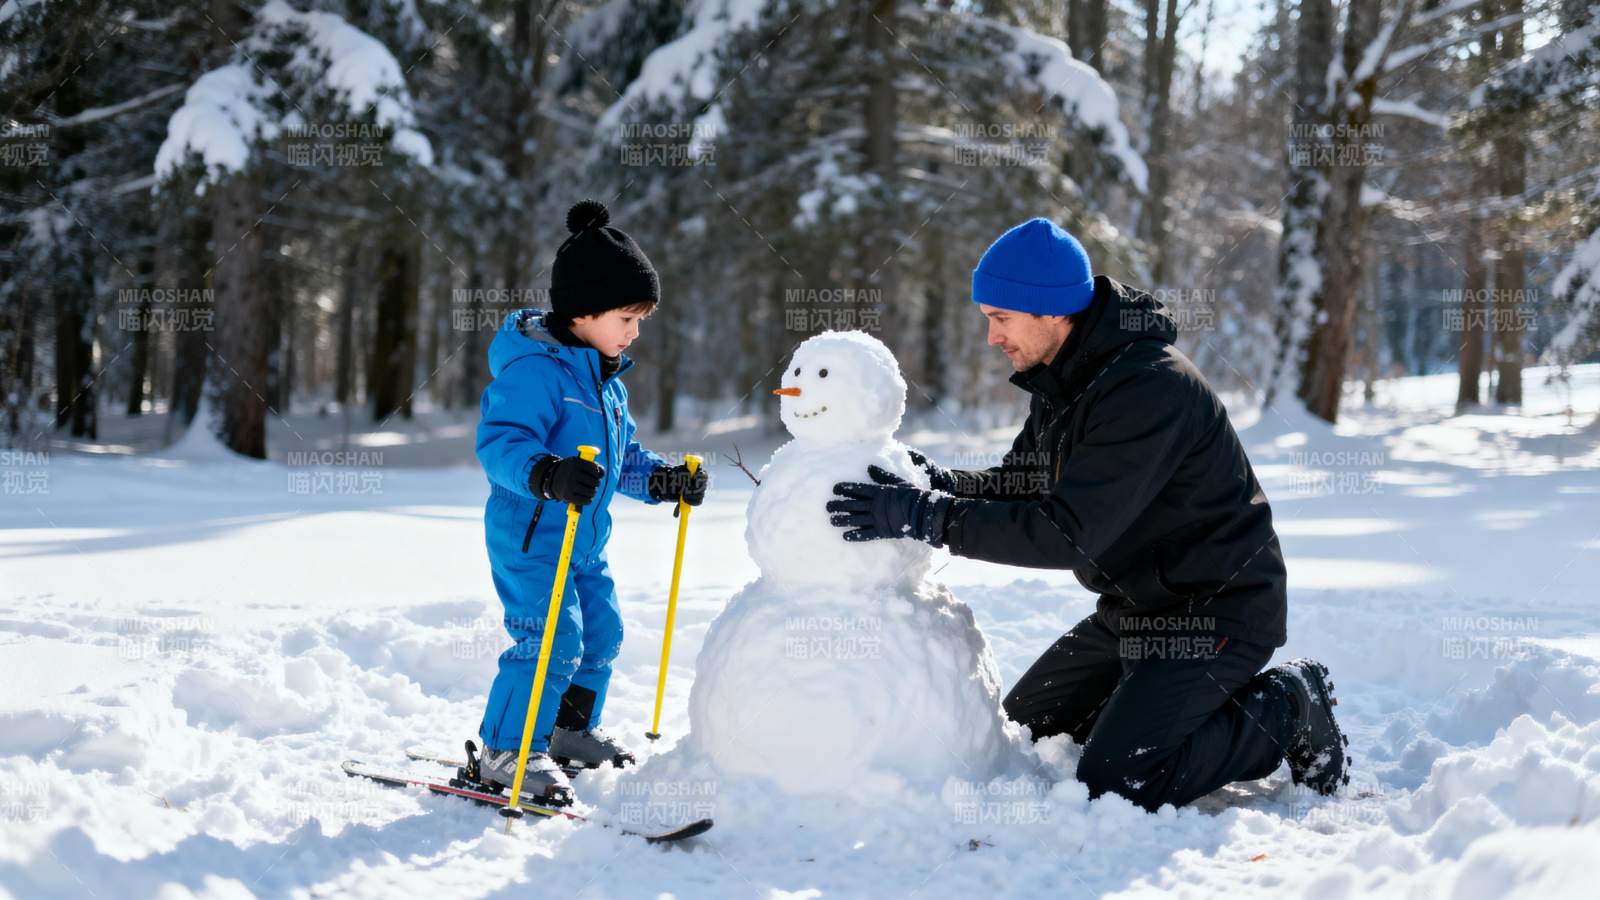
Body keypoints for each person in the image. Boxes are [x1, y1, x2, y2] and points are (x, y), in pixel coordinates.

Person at [826, 217, 1349, 811]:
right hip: (1135, 612)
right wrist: (932, 482)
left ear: (1050, 311)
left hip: (1216, 611)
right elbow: (1019, 485)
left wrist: (922, 515)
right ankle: (1147, 709)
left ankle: (1288, 703)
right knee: (1023, 741)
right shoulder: (1066, 379)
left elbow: (1065, 535)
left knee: (1119, 782)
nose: (992, 337)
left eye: (1001, 318)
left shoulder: (1150, 389)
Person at [473, 199, 709, 804]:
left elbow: (623, 460)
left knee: (601, 634)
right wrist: (546, 473)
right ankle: (506, 751)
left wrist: (661, 481)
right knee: (548, 642)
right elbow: (500, 445)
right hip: (531, 538)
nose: (634, 332)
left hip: (585, 540)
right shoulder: (534, 372)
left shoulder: (606, 385)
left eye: (640, 320)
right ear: (583, 311)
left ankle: (568, 732)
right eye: (627, 317)